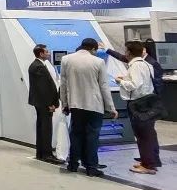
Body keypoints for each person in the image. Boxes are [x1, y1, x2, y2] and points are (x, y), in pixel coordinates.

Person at [60, 38, 117, 177]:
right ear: (93, 49)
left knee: (76, 135)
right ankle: (91, 167)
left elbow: (63, 85)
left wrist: (65, 104)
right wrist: (111, 107)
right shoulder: (98, 62)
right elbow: (104, 86)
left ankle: (73, 164)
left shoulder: (66, 59)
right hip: (94, 106)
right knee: (92, 137)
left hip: (75, 105)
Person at [115, 41, 160, 174]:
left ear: (129, 52)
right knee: (147, 134)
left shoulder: (135, 66)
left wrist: (121, 81)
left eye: (126, 50)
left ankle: (148, 165)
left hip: (138, 104)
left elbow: (135, 85)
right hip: (147, 101)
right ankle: (148, 161)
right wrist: (126, 78)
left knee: (142, 135)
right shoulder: (146, 64)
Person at [27, 44, 64, 164]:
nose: (48, 54)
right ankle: (47, 154)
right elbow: (44, 88)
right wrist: (51, 103)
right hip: (44, 103)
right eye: (46, 52)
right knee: (46, 128)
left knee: (42, 127)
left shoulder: (37, 65)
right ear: (41, 53)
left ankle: (41, 153)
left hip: (40, 102)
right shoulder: (39, 67)